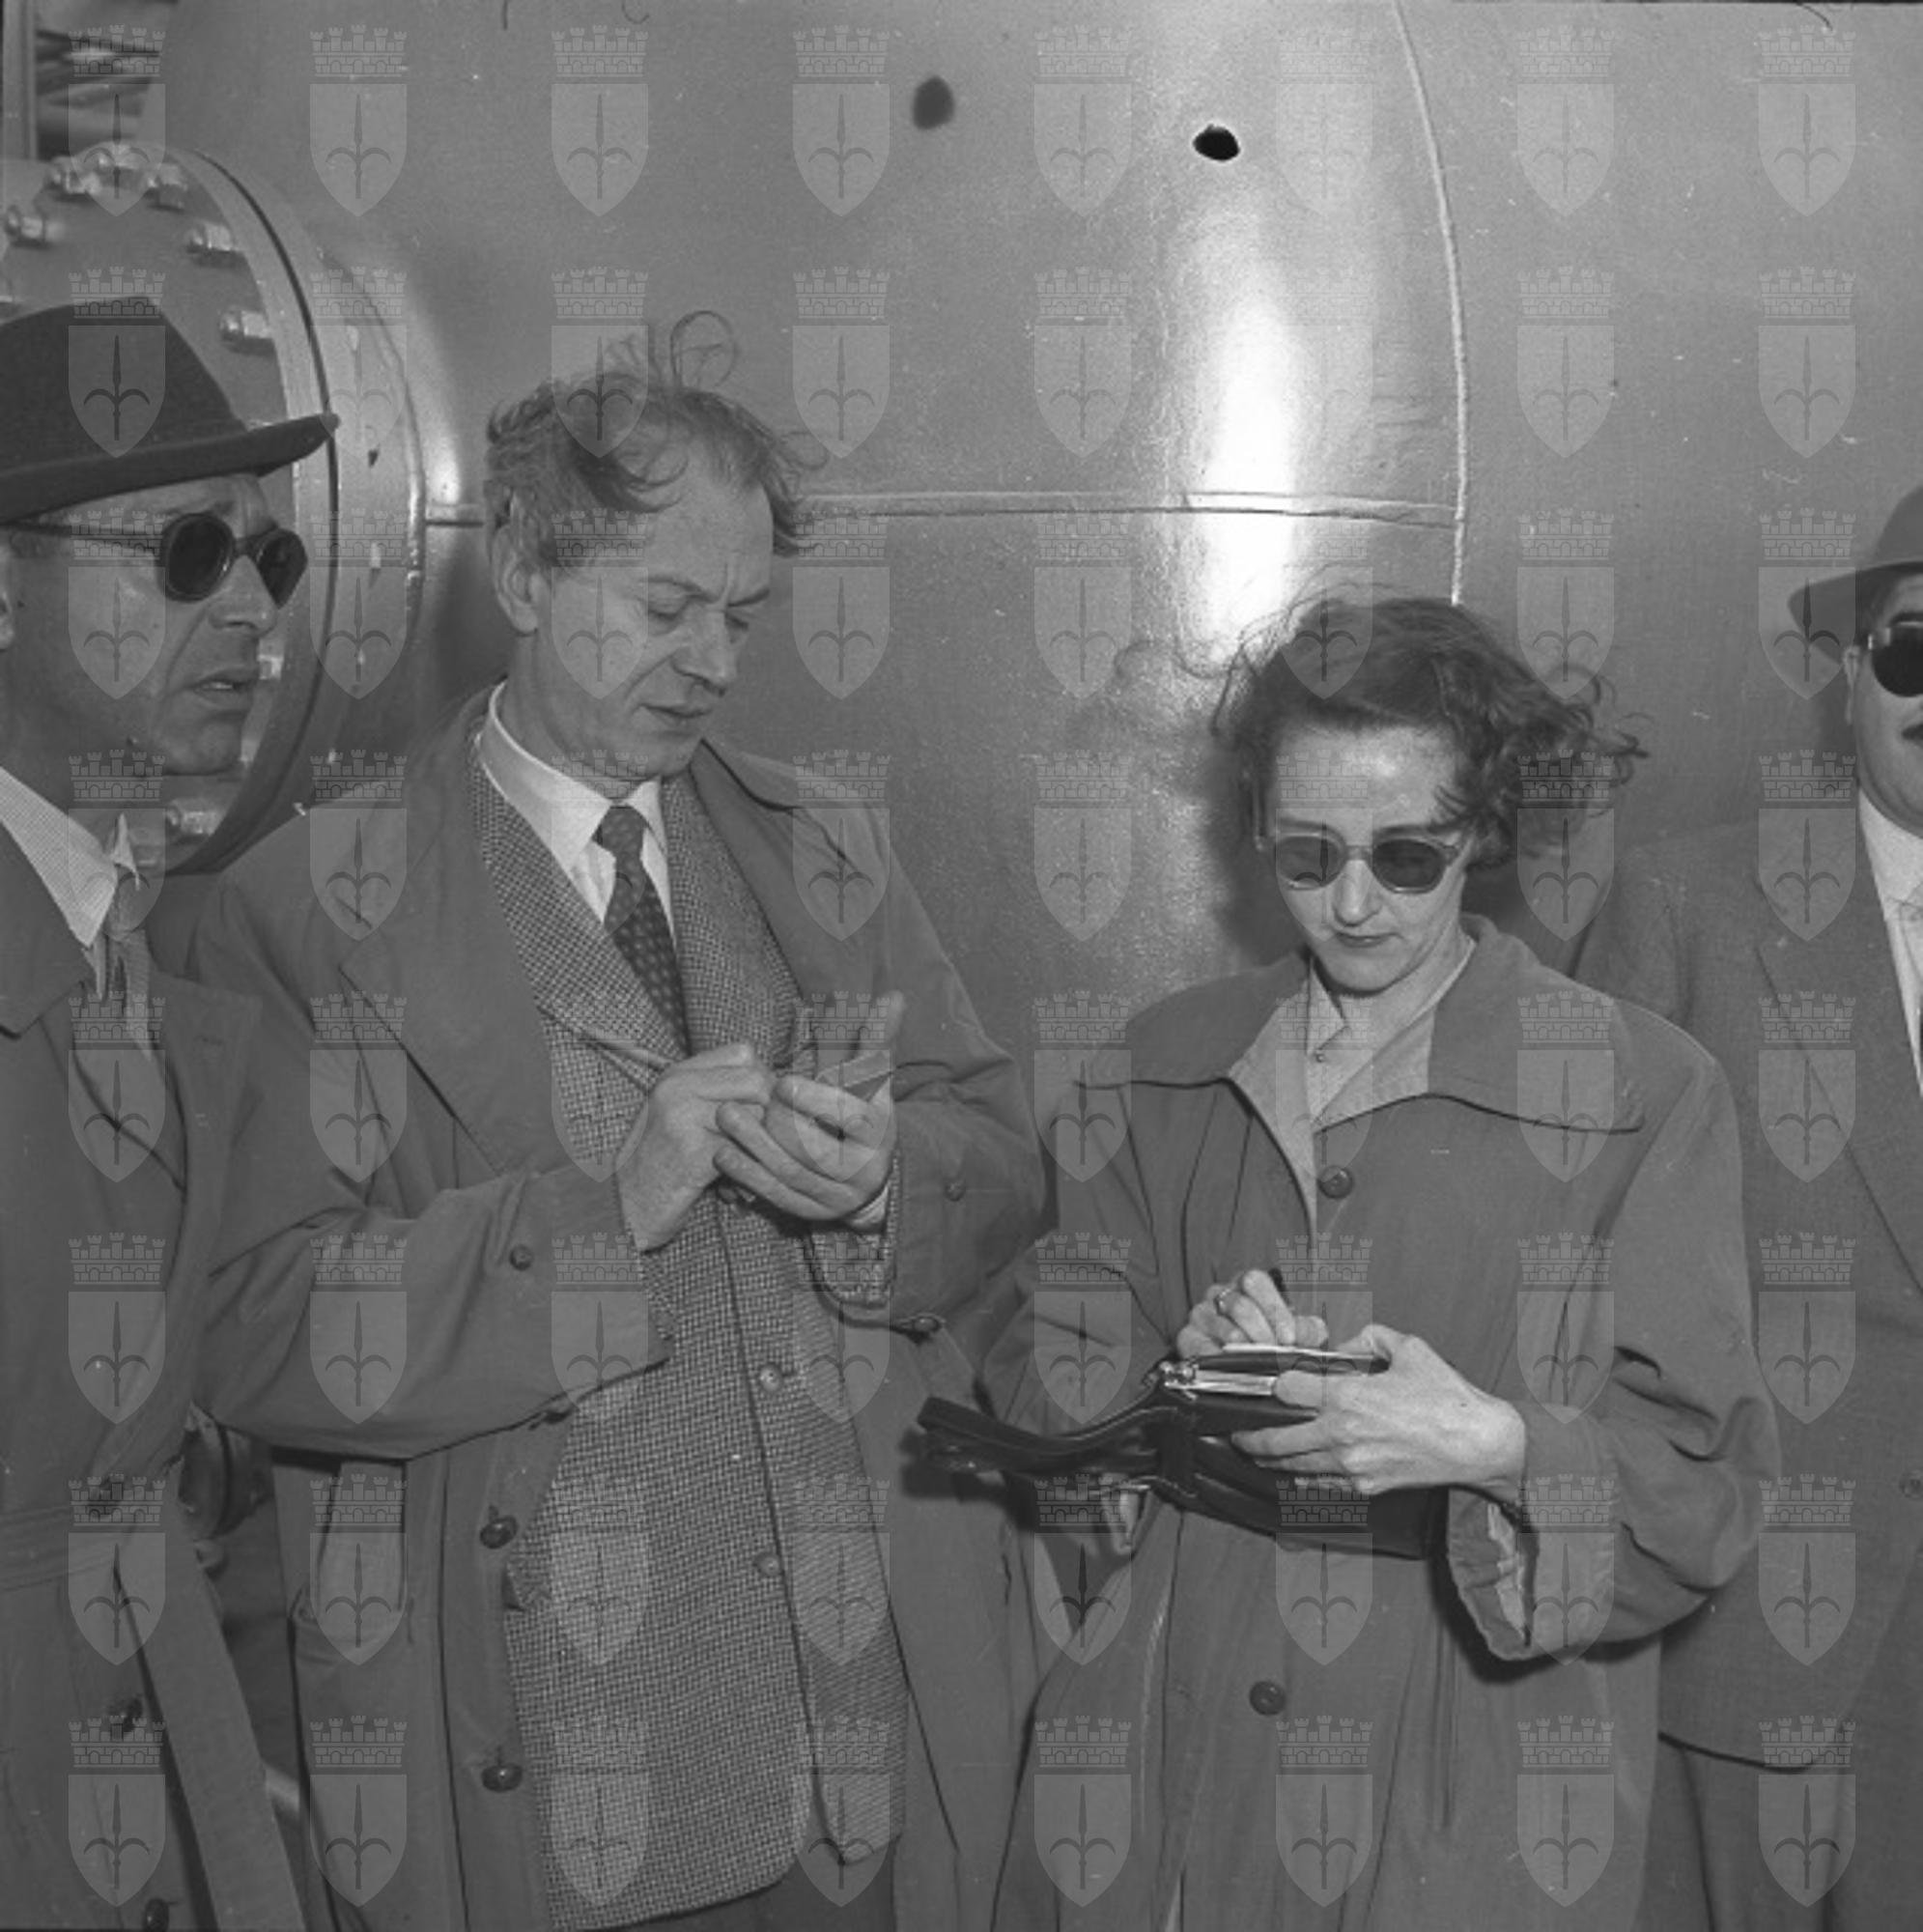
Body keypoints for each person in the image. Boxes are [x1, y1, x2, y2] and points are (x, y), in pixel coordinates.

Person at [188, 327, 1044, 1932]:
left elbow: (1003, 1161)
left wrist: (889, 1187)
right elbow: (252, 1330)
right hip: (548, 1772)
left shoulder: (823, 849)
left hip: (859, 1762)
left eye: (741, 616)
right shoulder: (301, 912)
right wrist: (605, 1213)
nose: (714, 661)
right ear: (523, 571)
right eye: (666, 609)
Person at [983, 595, 1777, 1930]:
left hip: (1471, 1761)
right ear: (1255, 829)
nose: (1352, 904)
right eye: (1309, 854)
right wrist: (1169, 1386)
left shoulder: (1643, 1091)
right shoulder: (1158, 1066)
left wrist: (1493, 1442)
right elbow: (1042, 1361)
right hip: (1172, 1734)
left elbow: (1704, 1493)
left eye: (1408, 857)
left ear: (1486, 832)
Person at [0, 299, 330, 1931]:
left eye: (267, 559)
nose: (251, 610)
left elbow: (262, 1324)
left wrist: (624, 1211)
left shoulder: (120, 927)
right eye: (188, 552)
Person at [1575, 487, 1923, 1927]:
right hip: (1767, 1651)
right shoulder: (1689, 906)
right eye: (1918, 648)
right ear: (1850, 672)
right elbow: (1568, 1273)